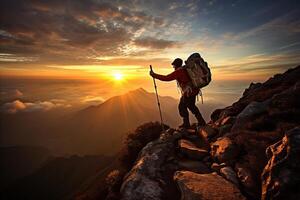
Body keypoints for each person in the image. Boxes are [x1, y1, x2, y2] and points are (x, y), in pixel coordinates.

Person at [150, 58, 206, 128]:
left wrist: (154, 75)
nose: (173, 67)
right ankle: (200, 122)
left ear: (176, 65)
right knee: (191, 107)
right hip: (193, 91)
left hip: (188, 93)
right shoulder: (185, 69)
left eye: (174, 66)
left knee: (183, 107)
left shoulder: (178, 72)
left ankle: (187, 124)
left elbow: (166, 78)